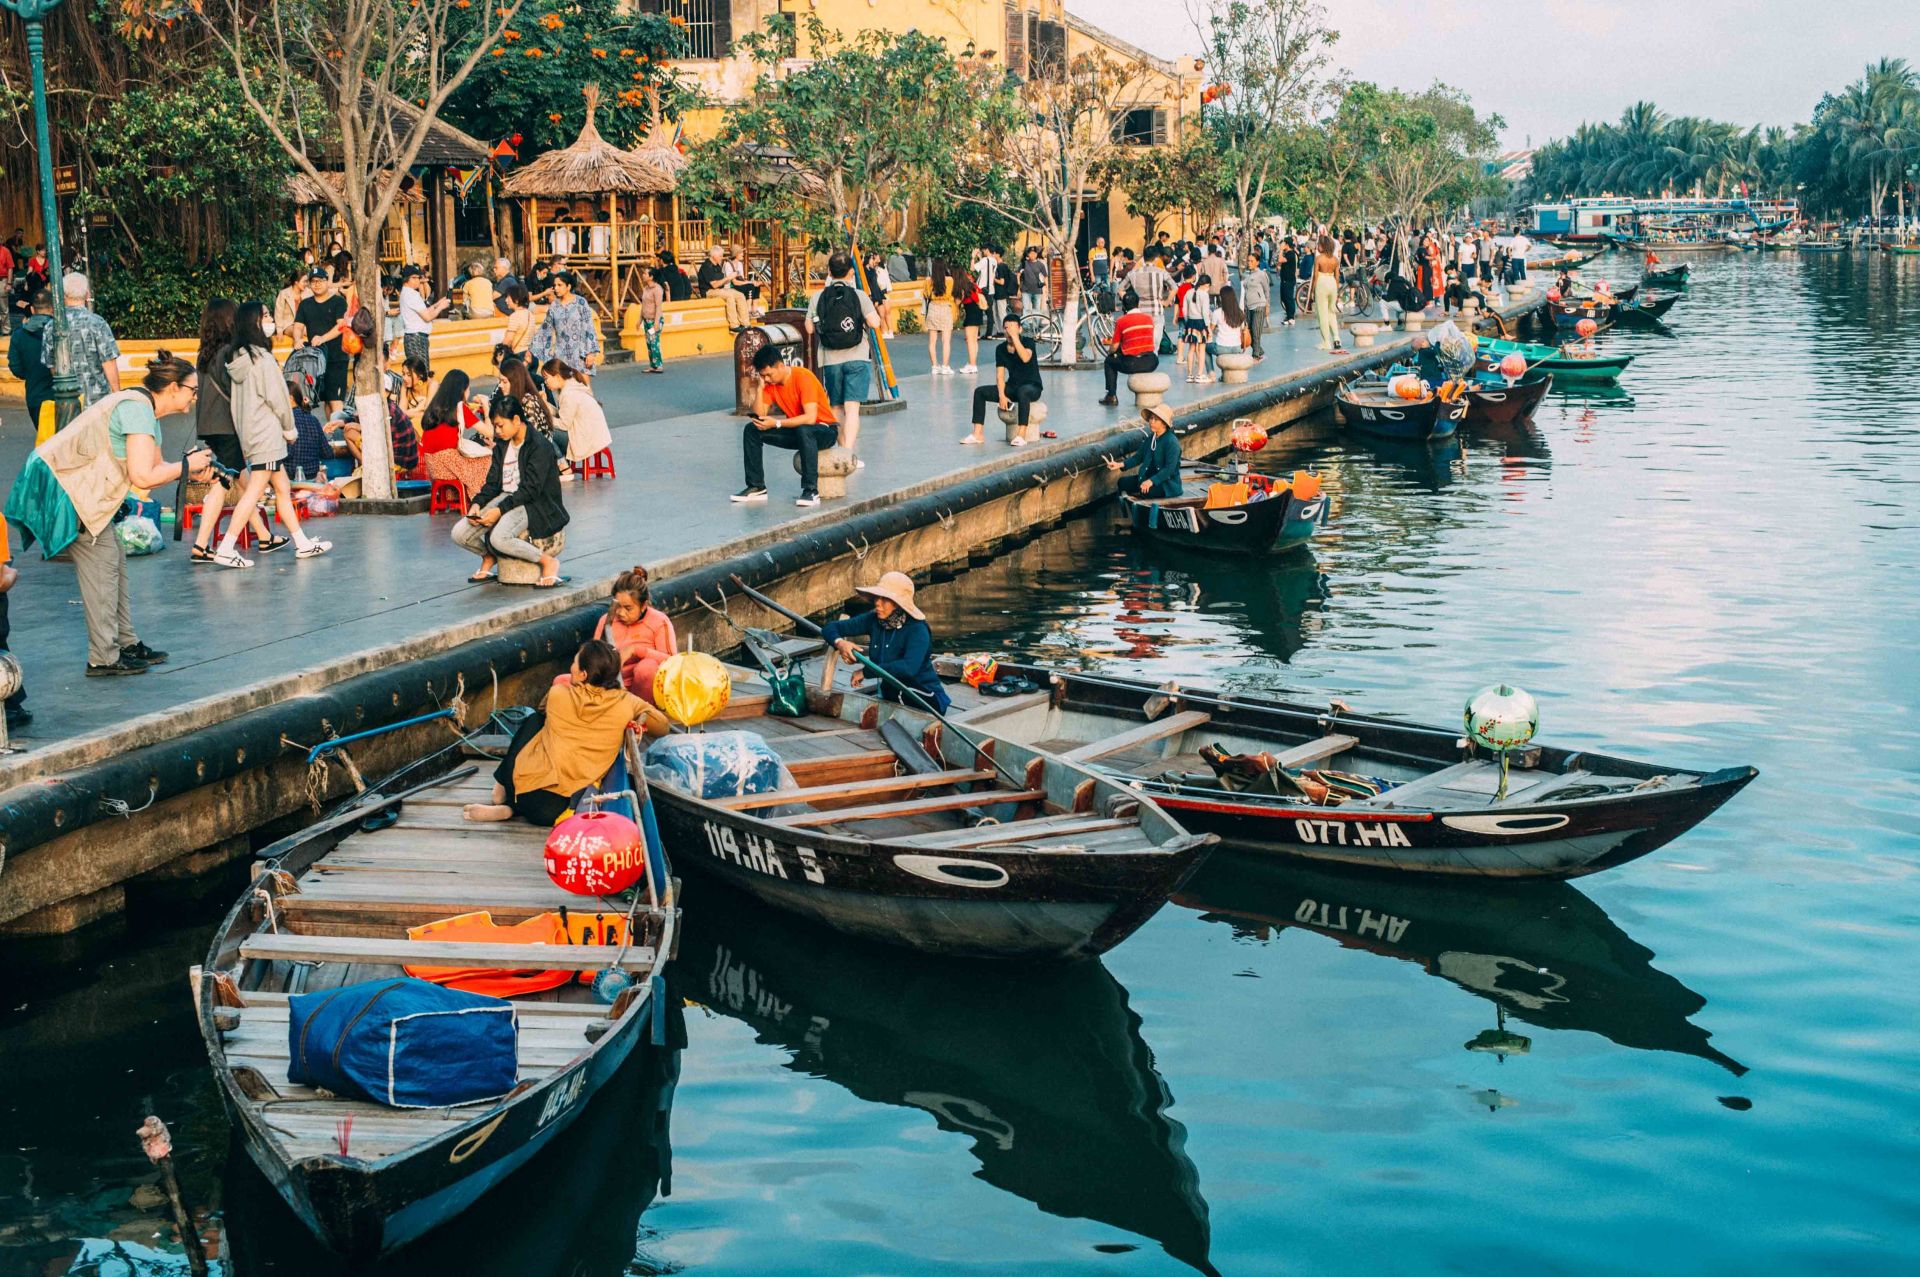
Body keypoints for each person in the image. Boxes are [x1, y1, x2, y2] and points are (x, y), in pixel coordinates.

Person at [3, 351, 213, 675]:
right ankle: (103, 657)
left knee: (113, 561)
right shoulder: (137, 409)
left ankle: (125, 643)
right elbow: (144, 476)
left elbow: (156, 467)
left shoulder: (144, 409)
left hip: (85, 493)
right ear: (172, 387)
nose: (195, 397)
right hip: (70, 493)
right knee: (101, 570)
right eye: (192, 390)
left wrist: (189, 469)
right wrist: (186, 466)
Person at [462, 640, 669, 825]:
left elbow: (542, 709)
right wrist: (637, 716)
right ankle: (508, 808)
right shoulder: (627, 702)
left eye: (574, 663)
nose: (570, 667)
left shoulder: (558, 693)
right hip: (558, 809)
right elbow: (663, 726)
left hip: (524, 794)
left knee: (535, 720)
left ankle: (502, 790)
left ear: (583, 675)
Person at [215, 301, 332, 566]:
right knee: (254, 492)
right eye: (266, 316)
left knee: (281, 487)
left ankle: (301, 543)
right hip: (267, 435)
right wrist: (289, 429)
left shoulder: (238, 360)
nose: (270, 321)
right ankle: (226, 547)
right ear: (254, 323)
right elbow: (279, 398)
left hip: (252, 433)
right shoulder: (262, 359)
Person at [189, 297, 273, 562]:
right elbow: (237, 391)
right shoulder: (228, 352)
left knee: (240, 478)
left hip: (210, 426)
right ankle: (201, 545)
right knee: (224, 481)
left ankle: (263, 535)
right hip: (227, 426)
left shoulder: (204, 352)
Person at [454, 392, 568, 587]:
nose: (497, 431)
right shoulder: (502, 445)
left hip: (533, 503)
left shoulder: (538, 445)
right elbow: (492, 483)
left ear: (516, 420)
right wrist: (477, 504)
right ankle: (488, 556)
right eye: (495, 426)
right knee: (459, 533)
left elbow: (531, 490)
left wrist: (499, 511)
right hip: (505, 497)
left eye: (500, 425)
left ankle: (548, 562)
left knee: (499, 538)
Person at [821, 571, 949, 712]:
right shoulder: (873, 620)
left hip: (926, 696)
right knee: (889, 689)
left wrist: (866, 672)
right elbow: (830, 628)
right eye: (877, 598)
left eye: (884, 599)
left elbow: (908, 669)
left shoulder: (918, 630)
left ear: (897, 604)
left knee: (895, 689)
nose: (877, 603)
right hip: (891, 693)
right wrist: (840, 643)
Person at [734, 344, 838, 507]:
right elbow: (760, 414)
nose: (767, 379)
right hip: (798, 431)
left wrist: (776, 423)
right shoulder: (769, 385)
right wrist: (760, 389)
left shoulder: (803, 377)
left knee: (805, 429)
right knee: (751, 429)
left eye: (769, 374)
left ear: (780, 366)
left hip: (824, 430)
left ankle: (810, 490)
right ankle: (756, 486)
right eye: (763, 376)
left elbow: (810, 418)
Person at [805, 251, 880, 463]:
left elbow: (809, 328)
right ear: (850, 273)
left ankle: (840, 448)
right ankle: (848, 453)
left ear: (829, 271)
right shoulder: (859, 295)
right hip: (857, 356)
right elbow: (875, 323)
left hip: (830, 359)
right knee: (852, 408)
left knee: (835, 407)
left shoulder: (818, 297)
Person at [594, 565, 677, 703]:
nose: (620, 613)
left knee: (647, 669)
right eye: (617, 606)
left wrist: (636, 651)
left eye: (628, 608)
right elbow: (592, 657)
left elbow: (674, 663)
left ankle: (641, 717)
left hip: (644, 692)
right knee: (562, 681)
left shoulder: (659, 621)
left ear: (643, 606)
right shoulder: (606, 621)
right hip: (611, 688)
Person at [964, 315, 1042, 446]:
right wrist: (1002, 396)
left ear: (1020, 329)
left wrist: (1015, 338)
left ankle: (1021, 435)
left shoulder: (1028, 342)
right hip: (1013, 386)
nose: (1009, 332)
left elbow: (1025, 358)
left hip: (1032, 386)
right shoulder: (1001, 348)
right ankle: (978, 434)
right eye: (1006, 328)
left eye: (1012, 328)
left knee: (1023, 391)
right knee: (980, 392)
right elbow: (1000, 376)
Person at [45, 273, 121, 406]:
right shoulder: (97, 323)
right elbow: (109, 362)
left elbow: (52, 365)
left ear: (63, 294)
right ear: (87, 295)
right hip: (98, 400)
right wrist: (117, 394)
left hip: (67, 401)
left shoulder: (51, 326)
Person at [292, 268, 349, 417]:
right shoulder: (305, 304)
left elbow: (341, 326)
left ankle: (339, 433)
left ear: (327, 282)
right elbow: (298, 326)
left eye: (320, 281)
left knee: (335, 399)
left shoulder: (338, 301)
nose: (316, 284)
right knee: (324, 400)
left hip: (336, 357)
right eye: (313, 281)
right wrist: (297, 339)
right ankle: (330, 436)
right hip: (315, 360)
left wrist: (323, 338)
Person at [541, 359, 612, 476]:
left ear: (557, 376)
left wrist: (545, 418)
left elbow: (564, 424)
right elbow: (563, 415)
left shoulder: (569, 394)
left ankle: (562, 465)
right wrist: (545, 405)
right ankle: (561, 463)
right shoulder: (572, 385)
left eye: (546, 378)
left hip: (584, 439)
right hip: (591, 435)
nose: (545, 382)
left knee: (543, 430)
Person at [528, 271, 600, 378]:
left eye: (559, 285)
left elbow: (589, 327)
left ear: (568, 286)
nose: (556, 288)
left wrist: (591, 353)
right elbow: (545, 329)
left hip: (580, 354)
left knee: (583, 389)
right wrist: (531, 350)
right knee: (563, 389)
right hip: (561, 354)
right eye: (554, 285)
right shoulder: (554, 306)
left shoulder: (581, 303)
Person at [1107, 402, 1182, 498]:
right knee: (1122, 482)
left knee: (1146, 491)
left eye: (1156, 419)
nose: (1151, 421)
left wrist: (1151, 481)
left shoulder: (1171, 442)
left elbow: (1169, 469)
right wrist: (1119, 464)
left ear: (1164, 424)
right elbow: (1138, 457)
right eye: (1151, 418)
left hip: (1166, 483)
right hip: (1147, 477)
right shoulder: (1151, 438)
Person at [7, 288, 55, 432]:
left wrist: (30, 373)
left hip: (35, 394)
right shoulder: (60, 330)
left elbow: (15, 366)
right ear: (53, 308)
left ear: (33, 309)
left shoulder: (19, 335)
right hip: (61, 394)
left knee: (45, 442)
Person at [1098, 297, 1159, 407]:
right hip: (1151, 362)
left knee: (1109, 361)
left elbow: (1114, 346)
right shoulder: (1149, 318)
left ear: (1124, 307)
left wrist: (1110, 352)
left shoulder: (1121, 321)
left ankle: (1111, 395)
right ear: (1138, 304)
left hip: (1132, 363)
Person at [396, 266, 449, 371]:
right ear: (406, 279)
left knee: (418, 373)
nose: (417, 281)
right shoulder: (411, 295)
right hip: (416, 338)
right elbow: (427, 317)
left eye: (418, 278)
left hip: (415, 337)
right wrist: (441, 307)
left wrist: (437, 304)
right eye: (414, 278)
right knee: (421, 374)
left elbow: (423, 312)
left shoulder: (408, 293)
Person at [1122, 248, 1176, 351]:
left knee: (1140, 342)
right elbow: (1174, 287)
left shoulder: (1133, 273)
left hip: (1139, 311)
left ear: (1143, 258)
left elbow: (1120, 289)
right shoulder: (1161, 272)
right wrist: (1166, 302)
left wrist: (1130, 303)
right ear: (1156, 259)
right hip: (1156, 310)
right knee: (1154, 345)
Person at [697, 244, 750, 331]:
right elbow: (714, 285)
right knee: (729, 296)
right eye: (720, 256)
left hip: (720, 289)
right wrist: (728, 277)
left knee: (740, 295)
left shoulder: (717, 265)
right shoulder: (706, 266)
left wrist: (732, 278)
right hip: (708, 291)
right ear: (714, 256)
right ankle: (734, 325)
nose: (722, 258)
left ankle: (745, 323)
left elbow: (722, 282)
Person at [1179, 273, 1215, 383]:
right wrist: (1208, 328)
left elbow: (1184, 311)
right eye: (1209, 286)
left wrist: (1187, 321)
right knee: (1202, 350)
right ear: (1206, 284)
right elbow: (1205, 313)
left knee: (1191, 349)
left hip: (1190, 322)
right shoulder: (1204, 295)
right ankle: (1199, 374)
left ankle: (1190, 375)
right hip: (1201, 323)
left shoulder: (1189, 293)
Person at [1312, 234, 1344, 353]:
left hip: (1322, 283)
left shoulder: (1318, 259)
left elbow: (1315, 276)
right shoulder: (1335, 259)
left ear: (1323, 246)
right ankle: (1336, 338)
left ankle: (1326, 341)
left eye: (1318, 244)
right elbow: (1337, 277)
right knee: (1331, 312)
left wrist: (1312, 291)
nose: (1317, 246)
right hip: (1332, 283)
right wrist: (1337, 291)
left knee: (1322, 314)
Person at [924, 259, 957, 374]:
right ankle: (945, 366)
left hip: (933, 308)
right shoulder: (949, 280)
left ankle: (934, 366)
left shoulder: (928, 281)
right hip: (945, 308)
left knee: (932, 341)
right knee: (946, 340)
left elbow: (926, 295)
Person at [956, 265, 985, 374]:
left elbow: (958, 302)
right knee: (974, 340)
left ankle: (972, 365)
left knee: (970, 340)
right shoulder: (971, 284)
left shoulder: (962, 286)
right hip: (977, 311)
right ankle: (973, 363)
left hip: (971, 314)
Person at [1239, 254, 1269, 358]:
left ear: (1257, 262)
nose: (1249, 263)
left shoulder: (1261, 274)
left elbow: (1266, 290)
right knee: (1249, 332)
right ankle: (1259, 350)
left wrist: (1267, 306)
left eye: (1252, 261)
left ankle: (1255, 355)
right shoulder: (1246, 275)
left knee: (1256, 332)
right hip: (1248, 307)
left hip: (1259, 306)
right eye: (1248, 261)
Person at [637, 267, 666, 374]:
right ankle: (653, 365)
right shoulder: (645, 289)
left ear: (651, 277)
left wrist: (657, 323)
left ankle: (659, 365)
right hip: (646, 320)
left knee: (654, 342)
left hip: (655, 320)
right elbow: (643, 305)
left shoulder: (657, 289)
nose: (643, 275)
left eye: (645, 273)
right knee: (649, 342)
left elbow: (658, 307)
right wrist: (639, 319)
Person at [499, 281, 535, 358]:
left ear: (516, 300)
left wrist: (499, 352)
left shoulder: (515, 316)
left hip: (519, 355)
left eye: (508, 297)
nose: (506, 300)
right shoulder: (530, 314)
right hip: (531, 355)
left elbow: (508, 340)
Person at [272, 269, 306, 335]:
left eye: (306, 281)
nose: (306, 284)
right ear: (296, 282)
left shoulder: (308, 292)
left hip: (303, 325)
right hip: (288, 325)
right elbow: (278, 313)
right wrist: (279, 330)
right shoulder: (284, 293)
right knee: (298, 331)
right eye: (304, 282)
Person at [1277, 234, 1299, 326]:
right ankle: (1288, 315)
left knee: (1289, 298)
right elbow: (1279, 262)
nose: (1282, 245)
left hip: (1289, 280)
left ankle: (1291, 317)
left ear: (1287, 244)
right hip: (1284, 279)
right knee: (1283, 298)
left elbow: (1280, 260)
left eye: (1283, 243)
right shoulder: (1288, 254)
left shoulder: (1291, 254)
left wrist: (1281, 250)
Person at [1018, 247, 1047, 319]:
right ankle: (1027, 326)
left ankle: (1036, 327)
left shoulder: (1040, 264)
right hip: (1025, 290)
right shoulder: (1024, 264)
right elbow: (1018, 275)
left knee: (1037, 310)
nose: (1033, 255)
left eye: (1034, 253)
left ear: (1037, 254)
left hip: (1037, 291)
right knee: (1026, 309)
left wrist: (1046, 288)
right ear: (1028, 254)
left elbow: (1046, 276)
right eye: (1031, 253)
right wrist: (1019, 288)